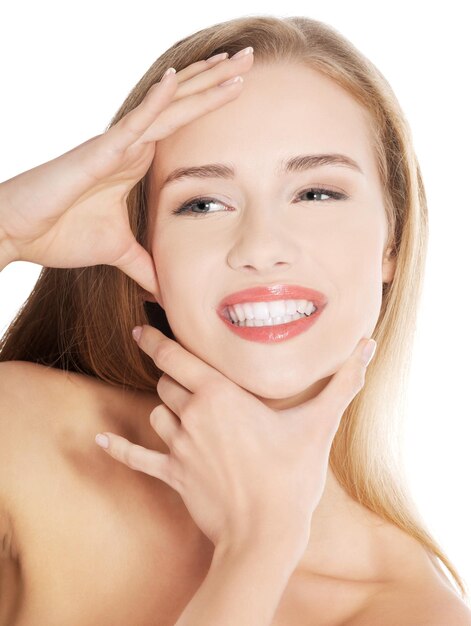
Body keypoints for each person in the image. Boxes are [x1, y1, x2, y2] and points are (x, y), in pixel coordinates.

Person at [0, 14, 470, 626]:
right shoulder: (28, 436)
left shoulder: (411, 611)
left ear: (392, 240)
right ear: (145, 240)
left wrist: (260, 546)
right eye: (203, 203)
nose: (260, 245)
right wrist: (7, 226)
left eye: (316, 193)